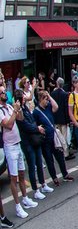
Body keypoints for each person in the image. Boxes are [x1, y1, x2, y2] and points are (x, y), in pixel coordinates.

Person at [0, 85, 38, 218]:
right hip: (9, 147)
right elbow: (9, 125)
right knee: (13, 178)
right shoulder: (0, 111)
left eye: (5, 92)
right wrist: (15, 112)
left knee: (22, 174)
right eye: (2, 93)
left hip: (18, 144)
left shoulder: (10, 107)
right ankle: (17, 206)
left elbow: (20, 119)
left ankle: (25, 198)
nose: (5, 94)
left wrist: (18, 109)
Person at [16, 89, 52, 200]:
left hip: (34, 139)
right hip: (27, 142)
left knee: (39, 163)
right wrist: (37, 128)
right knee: (32, 166)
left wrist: (36, 127)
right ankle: (35, 190)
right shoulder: (18, 111)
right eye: (23, 96)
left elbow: (31, 120)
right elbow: (24, 125)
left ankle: (43, 184)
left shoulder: (25, 107)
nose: (25, 97)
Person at [34, 90, 73, 185]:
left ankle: (65, 174)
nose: (47, 101)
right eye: (45, 99)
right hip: (45, 140)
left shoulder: (48, 107)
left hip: (54, 137)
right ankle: (54, 178)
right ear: (40, 100)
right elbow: (35, 125)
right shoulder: (36, 112)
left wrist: (49, 96)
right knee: (49, 160)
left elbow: (56, 107)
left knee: (60, 156)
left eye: (47, 99)